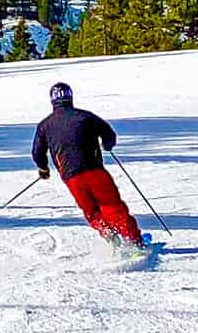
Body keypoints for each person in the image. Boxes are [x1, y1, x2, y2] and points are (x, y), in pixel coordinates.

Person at [31, 81, 145, 248]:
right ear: (70, 97)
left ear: (52, 101)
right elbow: (108, 133)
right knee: (111, 206)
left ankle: (110, 236)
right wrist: (107, 145)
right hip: (94, 170)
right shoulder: (85, 116)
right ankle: (134, 242)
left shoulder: (44, 126)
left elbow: (37, 152)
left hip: (71, 177)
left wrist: (43, 168)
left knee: (91, 211)